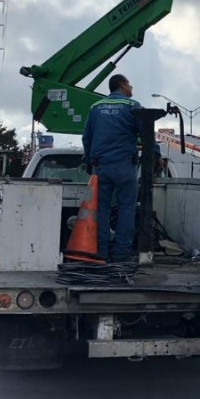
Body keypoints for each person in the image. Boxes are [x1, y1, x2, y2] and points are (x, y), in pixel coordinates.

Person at [81, 73, 142, 261]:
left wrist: (88, 159)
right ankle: (121, 254)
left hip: (101, 167)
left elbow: (87, 137)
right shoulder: (132, 106)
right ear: (122, 85)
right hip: (124, 167)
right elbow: (146, 132)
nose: (131, 88)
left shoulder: (95, 107)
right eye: (129, 83)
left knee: (101, 210)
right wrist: (155, 154)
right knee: (126, 210)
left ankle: (101, 252)